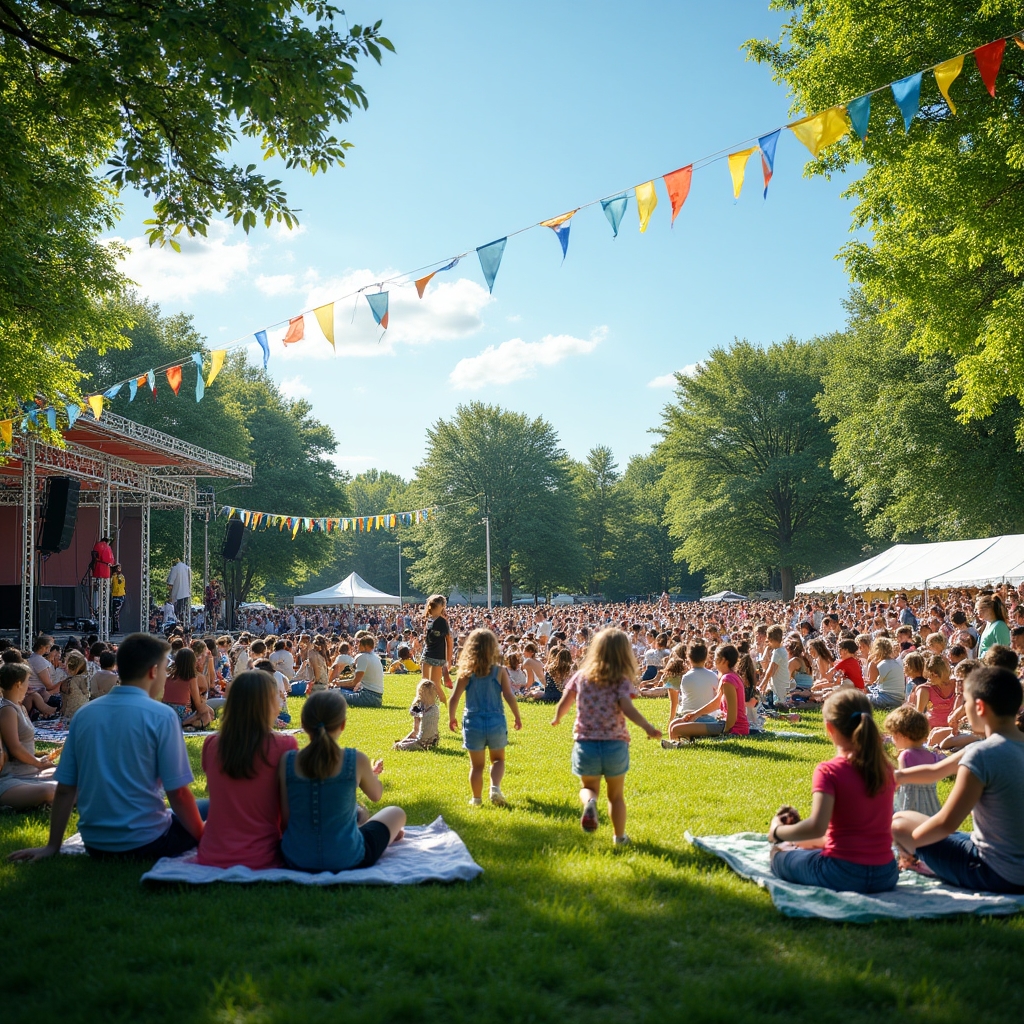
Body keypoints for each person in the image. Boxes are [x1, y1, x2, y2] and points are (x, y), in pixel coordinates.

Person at [8, 633, 205, 862]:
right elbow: (178, 793)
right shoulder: (162, 716)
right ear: (153, 672)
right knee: (215, 809)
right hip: (148, 841)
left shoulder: (84, 715)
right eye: (164, 671)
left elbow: (65, 789)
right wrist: (204, 835)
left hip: (95, 843)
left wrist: (53, 845)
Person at [892, 666, 1024, 893]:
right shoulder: (996, 746)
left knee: (899, 825)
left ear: (980, 707)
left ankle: (919, 862)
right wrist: (896, 777)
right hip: (1009, 863)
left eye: (965, 703)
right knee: (904, 816)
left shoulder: (982, 754)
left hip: (996, 872)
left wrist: (910, 843)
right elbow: (935, 771)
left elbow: (946, 823)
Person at [767, 688, 898, 894]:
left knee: (778, 855)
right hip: (886, 874)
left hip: (841, 872)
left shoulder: (829, 771)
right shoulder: (886, 768)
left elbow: (816, 827)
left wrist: (777, 831)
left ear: (830, 728)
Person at [551, 628, 661, 845]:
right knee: (616, 796)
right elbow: (628, 708)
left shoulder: (581, 677)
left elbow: (565, 702)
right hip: (615, 744)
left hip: (586, 744)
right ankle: (619, 837)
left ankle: (590, 803)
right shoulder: (620, 680)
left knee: (588, 788)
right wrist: (647, 727)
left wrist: (557, 717)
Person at [279, 690, 406, 872]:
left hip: (296, 857)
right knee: (396, 812)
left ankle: (365, 827)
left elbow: (286, 820)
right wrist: (372, 776)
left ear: (304, 725)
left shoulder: (287, 761)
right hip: (348, 856)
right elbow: (376, 795)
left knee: (359, 816)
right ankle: (378, 831)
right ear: (343, 724)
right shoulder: (356, 760)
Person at [196, 670, 298, 869]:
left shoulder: (212, 743)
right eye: (278, 695)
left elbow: (217, 794)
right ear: (268, 704)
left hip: (212, 853)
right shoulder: (284, 745)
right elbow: (289, 812)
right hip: (262, 855)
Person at [448, 629, 522, 806]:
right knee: (498, 759)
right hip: (496, 720)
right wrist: (517, 717)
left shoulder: (466, 673)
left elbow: (454, 698)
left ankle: (476, 799)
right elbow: (509, 695)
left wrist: (452, 717)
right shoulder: (499, 671)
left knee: (476, 766)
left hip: (473, 721)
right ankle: (495, 788)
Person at [0, 663, 59, 810]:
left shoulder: (20, 707)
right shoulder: (7, 710)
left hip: (30, 772)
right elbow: (15, 748)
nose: (29, 686)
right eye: (27, 681)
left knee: (77, 774)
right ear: (18, 684)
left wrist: (39, 762)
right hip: (12, 778)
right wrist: (38, 762)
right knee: (51, 791)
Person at [665, 644, 750, 742]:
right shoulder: (727, 677)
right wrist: (695, 714)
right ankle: (679, 745)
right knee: (674, 724)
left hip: (734, 728)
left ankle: (679, 746)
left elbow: (733, 713)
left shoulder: (728, 680)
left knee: (676, 729)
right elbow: (717, 702)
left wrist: (725, 732)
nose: (713, 660)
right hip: (724, 723)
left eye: (715, 658)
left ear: (723, 660)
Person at [884, 705, 943, 817]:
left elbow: (901, 779)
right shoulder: (929, 754)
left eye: (892, 735)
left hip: (911, 801)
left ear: (900, 736)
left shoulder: (905, 755)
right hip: (929, 802)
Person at [162, 648, 214, 729]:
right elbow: (199, 706)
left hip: (166, 711)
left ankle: (188, 723)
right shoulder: (191, 678)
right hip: (182, 713)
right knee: (208, 713)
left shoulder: (168, 676)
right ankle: (185, 723)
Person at [422, 594, 453, 710]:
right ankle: (428, 706)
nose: (433, 608)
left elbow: (449, 641)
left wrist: (448, 660)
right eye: (432, 605)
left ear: (442, 607)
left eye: (436, 606)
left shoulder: (442, 622)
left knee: (435, 684)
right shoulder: (429, 620)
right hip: (427, 654)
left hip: (438, 657)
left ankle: (446, 707)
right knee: (425, 682)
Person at [339, 635, 385, 708]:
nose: (357, 646)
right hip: (377, 699)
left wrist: (338, 683)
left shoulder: (363, 657)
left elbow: (354, 682)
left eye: (359, 644)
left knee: (334, 693)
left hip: (367, 697)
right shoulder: (376, 657)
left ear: (365, 646)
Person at [394, 679, 441, 751]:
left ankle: (399, 745)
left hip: (421, 743)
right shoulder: (435, 708)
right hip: (433, 741)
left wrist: (403, 741)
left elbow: (415, 731)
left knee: (399, 746)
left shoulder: (418, 707)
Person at [866, 636, 905, 709]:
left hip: (888, 698)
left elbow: (879, 681)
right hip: (898, 699)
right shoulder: (895, 662)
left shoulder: (883, 664)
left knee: (864, 697)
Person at [976, 594, 1011, 660]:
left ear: (989, 609)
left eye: (979, 609)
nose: (977, 613)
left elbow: (1004, 652)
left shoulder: (1000, 625)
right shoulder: (988, 624)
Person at [60, 651, 91, 722]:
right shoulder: (86, 679)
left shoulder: (67, 682)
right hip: (84, 714)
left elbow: (64, 704)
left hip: (71, 715)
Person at [167, 557, 192, 630]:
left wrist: (169, 594)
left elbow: (170, 583)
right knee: (184, 611)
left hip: (177, 594)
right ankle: (185, 625)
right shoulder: (187, 568)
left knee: (177, 612)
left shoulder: (175, 568)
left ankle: (179, 626)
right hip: (186, 593)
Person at [110, 563, 126, 632]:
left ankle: (116, 628)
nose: (119, 569)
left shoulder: (120, 576)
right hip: (116, 595)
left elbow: (120, 582)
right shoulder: (113, 576)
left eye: (120, 568)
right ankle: (115, 628)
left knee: (115, 613)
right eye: (118, 568)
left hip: (119, 595)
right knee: (114, 613)